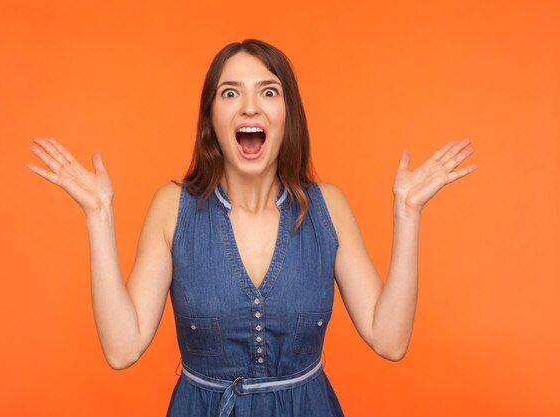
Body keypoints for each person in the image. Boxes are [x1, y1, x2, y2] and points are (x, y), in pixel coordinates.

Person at [27, 39, 477, 417]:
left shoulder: (328, 208)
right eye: (230, 93)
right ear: (212, 121)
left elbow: (390, 338)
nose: (249, 106)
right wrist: (99, 214)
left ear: (287, 114)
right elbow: (122, 349)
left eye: (268, 92)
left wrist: (407, 211)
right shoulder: (172, 208)